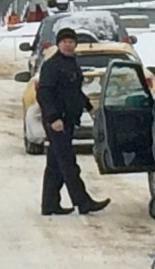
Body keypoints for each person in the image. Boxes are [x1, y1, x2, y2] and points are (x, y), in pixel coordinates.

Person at [37, 28, 111, 216]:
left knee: (55, 164)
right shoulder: (52, 65)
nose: (68, 45)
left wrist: (88, 106)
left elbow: (74, 91)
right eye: (65, 42)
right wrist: (53, 118)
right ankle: (83, 201)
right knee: (68, 163)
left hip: (68, 119)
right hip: (57, 121)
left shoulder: (71, 64)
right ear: (58, 44)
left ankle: (50, 204)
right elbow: (44, 93)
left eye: (71, 41)